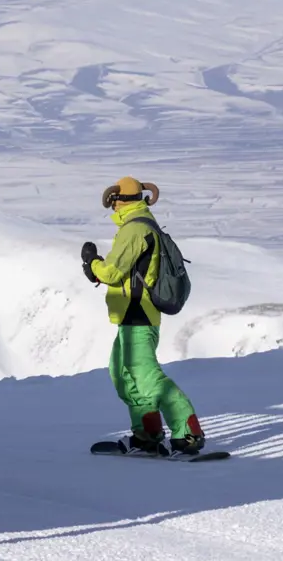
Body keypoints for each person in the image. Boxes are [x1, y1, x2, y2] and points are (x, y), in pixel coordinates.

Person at [81, 176, 205, 455]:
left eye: (112, 201)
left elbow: (113, 272)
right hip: (130, 314)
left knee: (146, 377)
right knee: (123, 374)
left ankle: (189, 433)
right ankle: (147, 433)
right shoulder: (138, 224)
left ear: (120, 200)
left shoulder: (134, 229)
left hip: (139, 312)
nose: (111, 207)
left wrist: (92, 263)